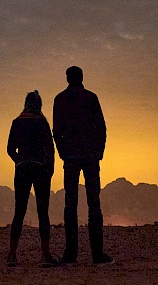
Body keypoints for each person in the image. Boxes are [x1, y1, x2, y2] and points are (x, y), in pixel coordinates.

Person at [53, 66, 114, 265]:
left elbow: (57, 130)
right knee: (93, 204)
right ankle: (97, 254)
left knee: (70, 205)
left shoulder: (60, 100)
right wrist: (98, 152)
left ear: (67, 79)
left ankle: (71, 254)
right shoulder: (91, 98)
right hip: (89, 157)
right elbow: (102, 127)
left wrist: (63, 152)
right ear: (81, 78)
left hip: (71, 157)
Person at [6, 90, 58, 267]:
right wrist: (49, 168)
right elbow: (50, 150)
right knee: (42, 212)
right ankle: (45, 255)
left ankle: (12, 256)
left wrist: (20, 161)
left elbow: (10, 149)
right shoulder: (42, 122)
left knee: (19, 211)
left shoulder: (17, 122)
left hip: (22, 170)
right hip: (40, 169)